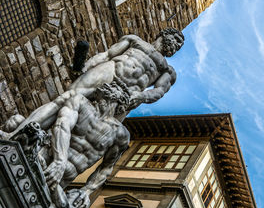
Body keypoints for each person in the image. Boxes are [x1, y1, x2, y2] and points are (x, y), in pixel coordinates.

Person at [6, 28, 184, 138]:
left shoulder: (167, 70)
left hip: (127, 95)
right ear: (165, 34)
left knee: (97, 133)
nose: (176, 46)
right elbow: (107, 55)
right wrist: (86, 67)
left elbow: (159, 91)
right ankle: (16, 133)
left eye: (179, 45)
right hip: (110, 71)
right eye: (176, 40)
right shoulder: (135, 41)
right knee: (65, 99)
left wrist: (141, 96)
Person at [38, 81, 130, 208]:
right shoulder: (80, 102)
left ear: (122, 103)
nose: (113, 89)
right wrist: (60, 161)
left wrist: (86, 192)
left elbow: (106, 168)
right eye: (113, 86)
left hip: (63, 179)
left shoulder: (120, 134)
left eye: (118, 88)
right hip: (47, 157)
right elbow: (62, 125)